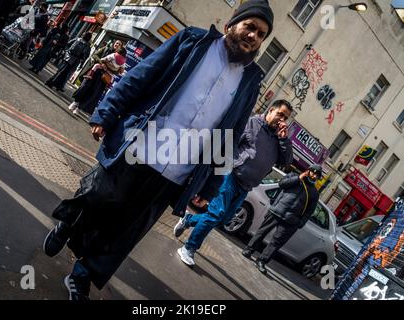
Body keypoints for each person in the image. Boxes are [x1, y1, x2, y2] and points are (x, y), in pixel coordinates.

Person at [42, 0, 275, 300]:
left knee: (126, 229)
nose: (254, 36)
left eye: (261, 34)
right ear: (232, 24)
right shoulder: (192, 41)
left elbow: (229, 137)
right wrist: (106, 111)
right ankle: (69, 224)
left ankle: (83, 275)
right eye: (250, 27)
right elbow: (143, 75)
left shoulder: (248, 82)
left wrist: (212, 183)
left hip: (176, 170)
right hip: (141, 143)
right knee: (98, 194)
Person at [173, 100, 293, 266]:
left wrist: (284, 140)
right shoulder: (252, 123)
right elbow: (232, 143)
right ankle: (188, 248)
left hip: (247, 185)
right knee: (216, 213)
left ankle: (188, 220)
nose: (282, 120)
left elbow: (286, 162)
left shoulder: (279, 139)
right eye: (280, 114)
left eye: (285, 118)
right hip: (232, 176)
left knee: (223, 219)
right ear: (271, 110)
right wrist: (236, 163)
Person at [242, 164, 322, 274]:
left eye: (316, 175)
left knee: (276, 243)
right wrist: (298, 178)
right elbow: (282, 184)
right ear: (307, 171)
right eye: (312, 172)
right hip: (276, 211)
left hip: (291, 221)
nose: (313, 175)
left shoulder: (314, 193)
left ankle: (262, 261)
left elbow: (309, 211)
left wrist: (300, 223)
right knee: (261, 232)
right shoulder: (293, 176)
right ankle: (248, 250)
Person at [68, 47, 127, 115]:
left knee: (92, 93)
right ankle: (76, 103)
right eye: (117, 43)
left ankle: (79, 107)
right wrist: (112, 68)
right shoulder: (120, 59)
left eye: (119, 44)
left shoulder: (113, 55)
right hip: (100, 75)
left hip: (102, 77)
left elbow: (104, 61)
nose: (117, 45)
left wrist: (107, 65)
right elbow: (120, 71)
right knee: (85, 88)